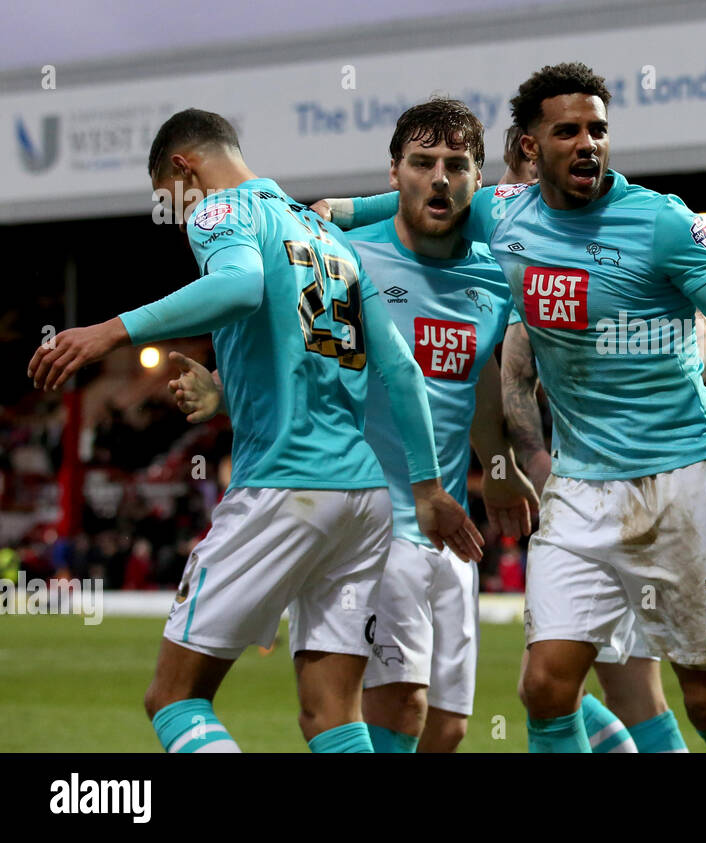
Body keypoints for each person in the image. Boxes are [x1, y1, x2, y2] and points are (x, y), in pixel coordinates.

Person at [333, 62, 706, 752]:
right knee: (546, 686)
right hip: (579, 489)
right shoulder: (505, 214)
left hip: (684, 483)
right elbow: (424, 198)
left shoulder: (664, 223)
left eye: (598, 129)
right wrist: (325, 216)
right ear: (530, 143)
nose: (587, 144)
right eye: (568, 130)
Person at [29, 108, 480, 753]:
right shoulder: (325, 237)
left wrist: (111, 331)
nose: (179, 216)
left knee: (174, 697)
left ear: (184, 169)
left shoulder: (221, 211)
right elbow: (402, 371)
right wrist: (430, 490)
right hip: (366, 500)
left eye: (169, 199)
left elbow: (239, 287)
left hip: (285, 488)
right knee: (332, 716)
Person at [170, 100, 535, 752]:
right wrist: (227, 392)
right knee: (395, 713)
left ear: (478, 180)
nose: (440, 179)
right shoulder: (344, 254)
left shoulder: (491, 275)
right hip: (373, 517)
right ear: (394, 172)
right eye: (422, 163)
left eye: (457, 165)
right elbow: (299, 359)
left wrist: (499, 471)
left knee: (447, 727)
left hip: (448, 523)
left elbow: (476, 390)